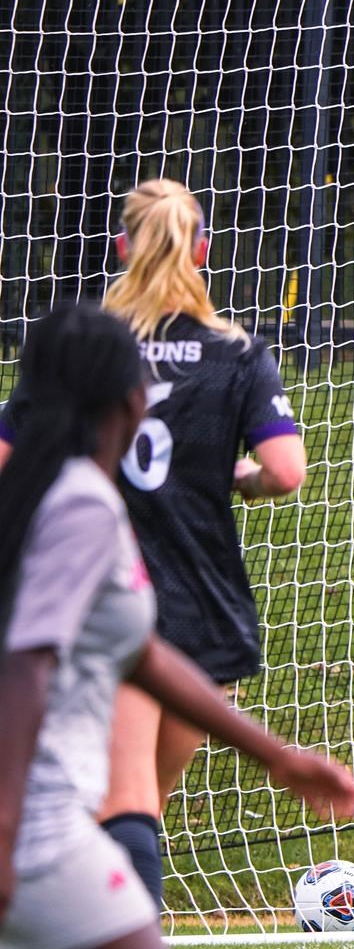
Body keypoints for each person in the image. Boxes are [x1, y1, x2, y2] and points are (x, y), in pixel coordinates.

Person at [0, 303, 354, 949]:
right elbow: (28, 665)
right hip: (37, 828)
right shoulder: (82, 505)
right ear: (126, 400)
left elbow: (143, 657)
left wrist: (277, 757)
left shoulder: (42, 494)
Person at [0, 179, 307, 906]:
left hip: (114, 593)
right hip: (208, 599)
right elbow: (287, 471)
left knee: (124, 805)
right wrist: (237, 479)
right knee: (140, 806)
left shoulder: (88, 349)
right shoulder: (238, 353)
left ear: (120, 247)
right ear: (203, 251)